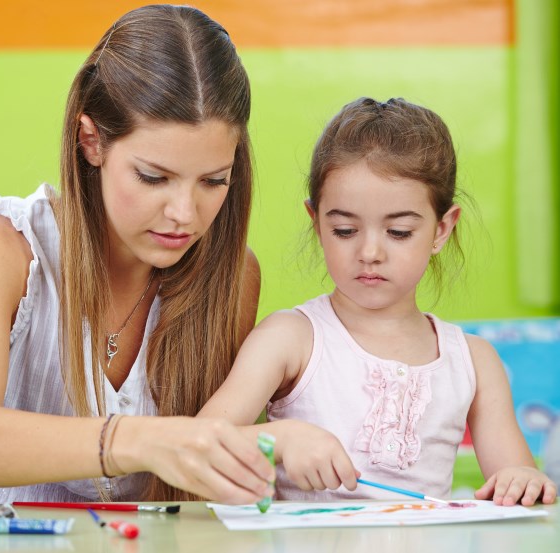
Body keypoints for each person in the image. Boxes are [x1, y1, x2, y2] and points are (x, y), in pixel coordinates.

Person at [0, 4, 275, 505]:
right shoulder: (2, 247)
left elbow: (189, 492)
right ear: (91, 141)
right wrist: (143, 440)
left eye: (214, 181)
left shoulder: (232, 277)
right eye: (153, 177)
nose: (185, 214)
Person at [199, 97, 557, 507]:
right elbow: (201, 442)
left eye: (399, 232)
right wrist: (278, 440)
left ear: (442, 229)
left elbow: (518, 484)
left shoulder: (475, 361)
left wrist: (523, 480)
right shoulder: (290, 338)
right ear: (317, 224)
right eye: (346, 230)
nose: (370, 252)